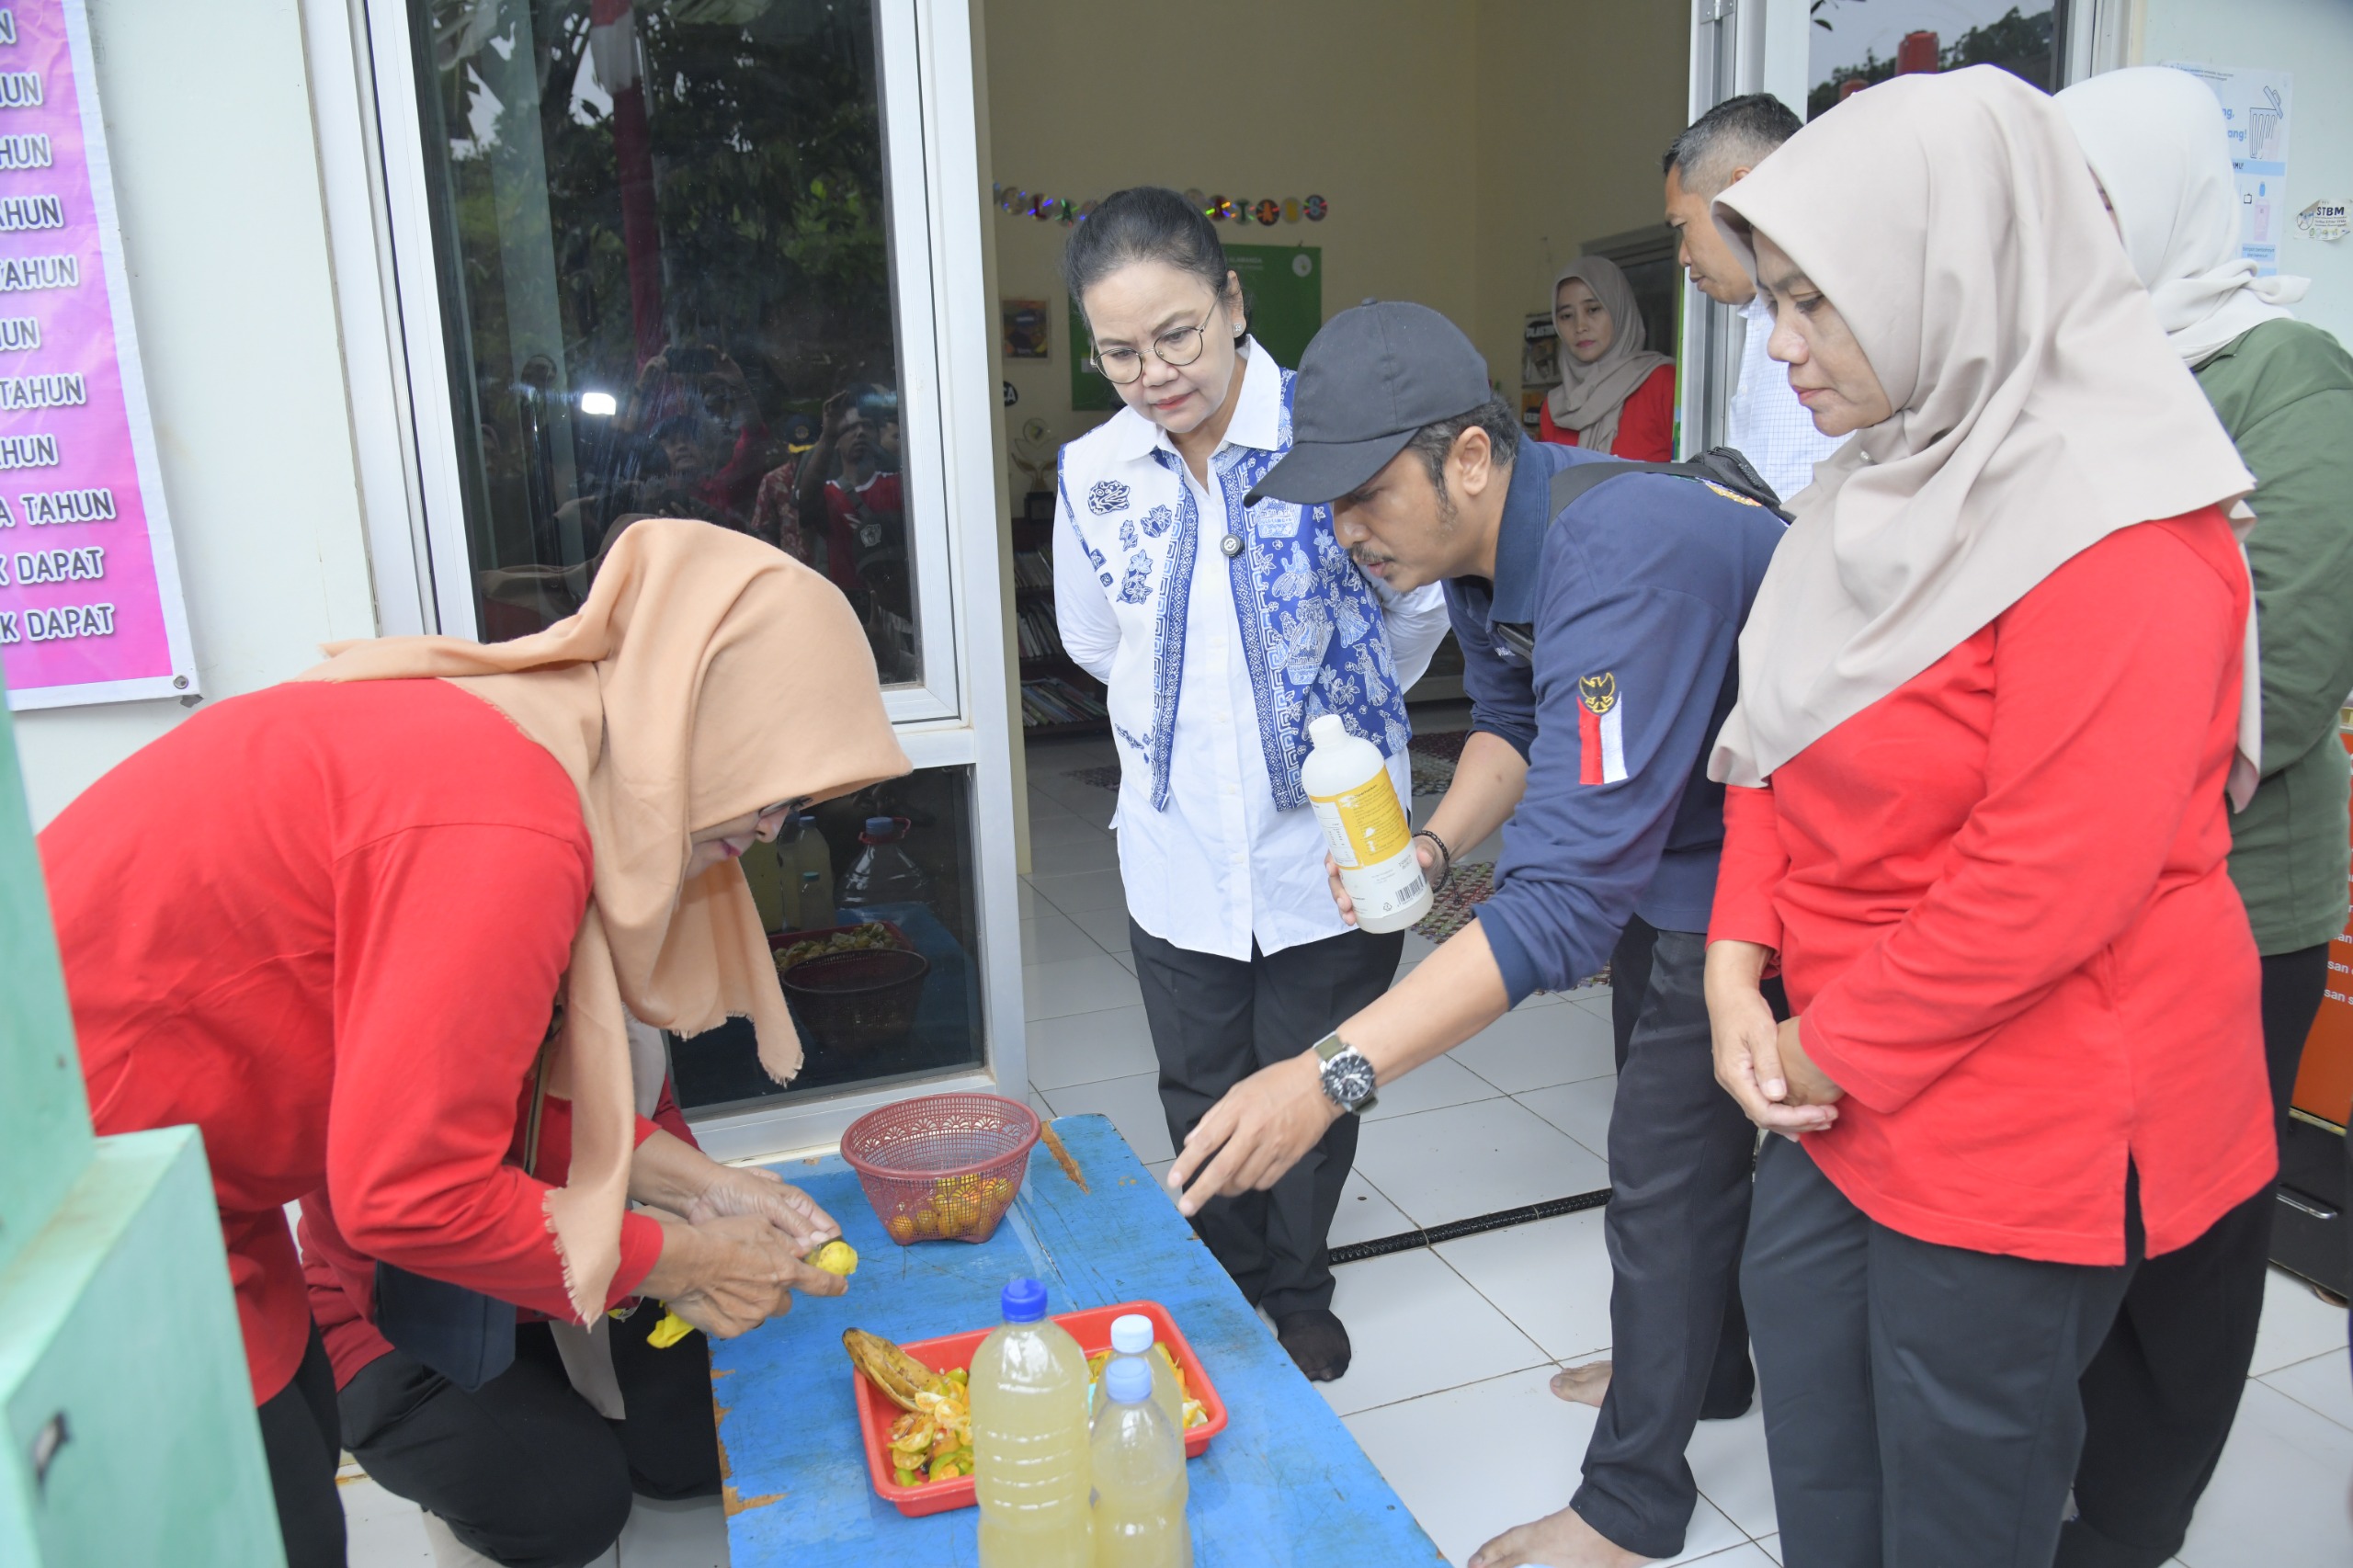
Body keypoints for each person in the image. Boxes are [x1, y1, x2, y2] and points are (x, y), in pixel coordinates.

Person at [38, 518, 911, 1568]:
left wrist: (694, 1186)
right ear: (699, 715)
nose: (773, 828)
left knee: (299, 1463)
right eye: (777, 778)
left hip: (183, 1190)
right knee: (274, 1524)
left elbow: (475, 1093)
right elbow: (407, 1188)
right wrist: (682, 1261)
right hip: (68, 1214)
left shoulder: (507, 741)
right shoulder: (506, 823)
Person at [1700, 67, 2273, 1566]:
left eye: (1818, 302)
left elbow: (2051, 884)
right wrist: (1732, 962)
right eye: (1770, 298)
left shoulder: (2122, 529)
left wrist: (1816, 1039)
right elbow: (1773, 736)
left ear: (1950, 274)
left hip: (2027, 1106)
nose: (1782, 345)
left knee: (1962, 1487)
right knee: (1823, 1437)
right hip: (1842, 1071)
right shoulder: (1867, 488)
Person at [1164, 300, 1786, 1568]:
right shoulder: (1480, 552)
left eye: (1364, 493)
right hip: (1681, 851)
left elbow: (1561, 906)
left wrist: (1328, 1072)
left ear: (1466, 455)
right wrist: (1435, 847)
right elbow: (1508, 726)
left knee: (1663, 1180)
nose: (1345, 529)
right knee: (1672, 1150)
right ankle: (1701, 1363)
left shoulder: (1623, 552)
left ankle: (1630, 1506)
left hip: (1780, 875)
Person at [1051, 187, 1450, 1381]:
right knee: (1200, 1084)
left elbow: (1416, 611)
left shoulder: (1326, 432)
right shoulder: (1096, 470)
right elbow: (1093, 641)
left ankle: (1300, 1277)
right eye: (1120, 350)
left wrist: (1313, 708)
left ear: (1233, 302)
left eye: (1177, 334)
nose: (1154, 372)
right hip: (1178, 852)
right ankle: (1228, 1280)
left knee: (1321, 1075)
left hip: (1328, 849)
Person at [2052, 65, 2353, 1568]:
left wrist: (2060, 748)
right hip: (2083, 891)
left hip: (2236, 899)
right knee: (2094, 1203)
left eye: (2095, 200)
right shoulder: (2076, 381)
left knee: (2197, 1225)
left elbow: (2281, 679)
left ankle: (2134, 1519)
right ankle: (2080, 1475)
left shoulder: (2279, 371)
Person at [1662, 93, 1843, 503]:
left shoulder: (1847, 312)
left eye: (1683, 226)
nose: (1683, 256)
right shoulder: (1760, 319)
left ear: (1742, 194)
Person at [1537, 255, 1676, 461]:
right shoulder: (1556, 407)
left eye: (1593, 310)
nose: (1580, 326)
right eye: (1566, 316)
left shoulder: (1662, 383)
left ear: (1618, 309)